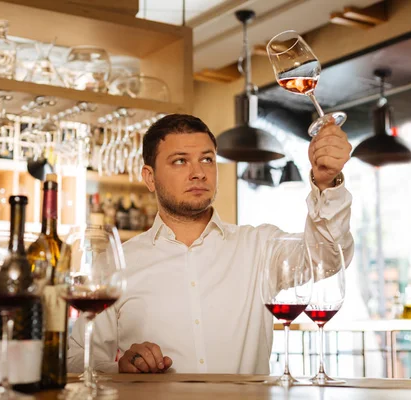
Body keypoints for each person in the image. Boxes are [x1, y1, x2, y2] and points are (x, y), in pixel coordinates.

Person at [68, 114, 354, 374]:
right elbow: (76, 358)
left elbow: (327, 259)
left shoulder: (260, 246)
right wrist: (120, 369)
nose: (199, 173)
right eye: (180, 160)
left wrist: (327, 184)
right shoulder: (119, 264)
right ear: (149, 178)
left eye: (207, 159)